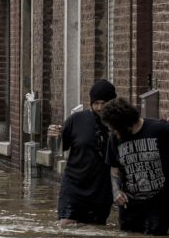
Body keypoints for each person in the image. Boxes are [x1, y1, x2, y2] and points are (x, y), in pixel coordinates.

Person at [101, 97, 169, 235]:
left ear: (124, 123)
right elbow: (114, 166)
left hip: (161, 200)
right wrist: (116, 191)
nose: (112, 130)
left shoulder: (160, 129)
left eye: (114, 127)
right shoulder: (115, 138)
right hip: (130, 202)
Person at [47, 79, 117, 226]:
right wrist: (52, 137)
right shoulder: (76, 120)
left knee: (95, 230)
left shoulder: (117, 126)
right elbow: (58, 149)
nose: (99, 108)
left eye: (103, 103)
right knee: (65, 224)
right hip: (73, 186)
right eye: (96, 103)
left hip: (100, 190)